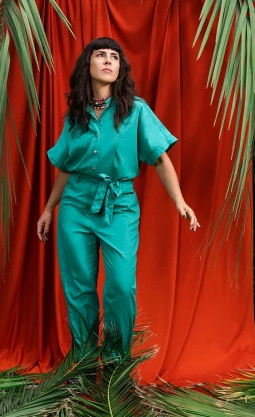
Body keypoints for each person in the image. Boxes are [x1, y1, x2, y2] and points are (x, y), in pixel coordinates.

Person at [37, 37, 200, 360]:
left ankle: (115, 366)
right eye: (101, 55)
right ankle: (84, 363)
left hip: (119, 205)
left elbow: (159, 158)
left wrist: (179, 200)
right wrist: (49, 209)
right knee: (79, 287)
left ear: (120, 68)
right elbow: (67, 166)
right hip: (76, 206)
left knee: (122, 286)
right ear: (88, 65)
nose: (108, 60)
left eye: (114, 56)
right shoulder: (76, 114)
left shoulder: (135, 110)